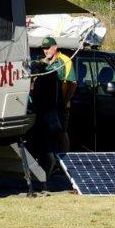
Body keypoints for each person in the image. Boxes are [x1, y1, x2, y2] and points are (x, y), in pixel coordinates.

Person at [34, 36, 77, 176]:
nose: (45, 51)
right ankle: (47, 160)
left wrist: (64, 102)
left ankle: (63, 161)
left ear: (55, 47)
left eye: (48, 48)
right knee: (47, 132)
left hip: (61, 105)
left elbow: (72, 83)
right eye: (44, 49)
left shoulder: (65, 60)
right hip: (46, 106)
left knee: (61, 132)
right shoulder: (42, 63)